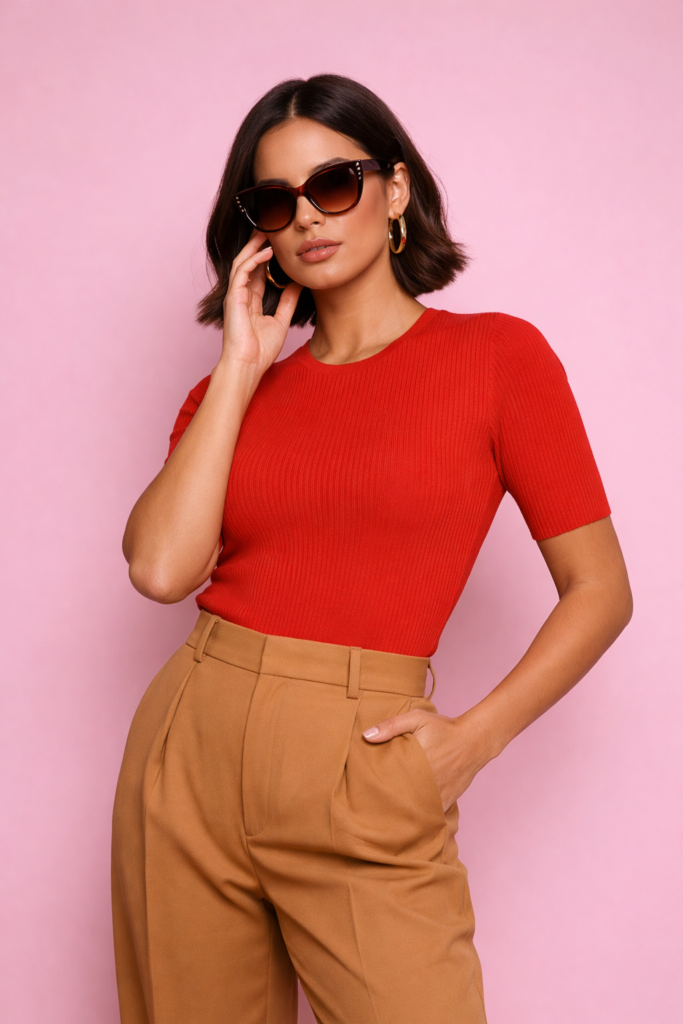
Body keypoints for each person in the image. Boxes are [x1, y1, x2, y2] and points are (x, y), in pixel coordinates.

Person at [112, 74, 632, 1024]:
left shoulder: (497, 359)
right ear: (256, 231)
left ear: (396, 191)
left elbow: (599, 588)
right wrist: (238, 365)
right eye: (276, 202)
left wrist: (475, 740)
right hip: (190, 742)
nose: (307, 217)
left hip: (361, 755)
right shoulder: (232, 393)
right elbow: (159, 570)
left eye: (335, 184)